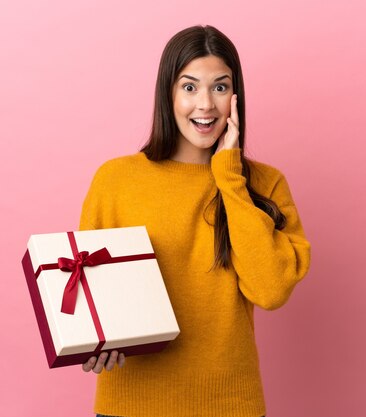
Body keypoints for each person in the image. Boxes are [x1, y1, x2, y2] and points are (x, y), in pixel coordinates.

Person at [78, 24, 311, 417]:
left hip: (229, 405)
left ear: (235, 97)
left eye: (219, 87)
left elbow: (270, 290)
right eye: (189, 87)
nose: (205, 104)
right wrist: (91, 342)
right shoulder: (116, 180)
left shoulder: (265, 184)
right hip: (129, 404)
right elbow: (87, 291)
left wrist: (229, 176)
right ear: (167, 94)